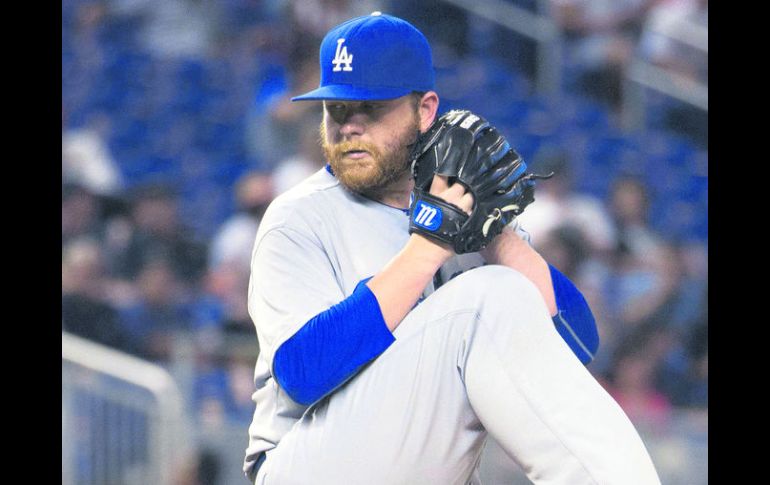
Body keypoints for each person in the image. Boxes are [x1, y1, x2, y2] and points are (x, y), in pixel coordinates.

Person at [243, 12, 661, 484]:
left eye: (370, 108)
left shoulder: (457, 209)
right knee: (488, 297)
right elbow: (301, 373)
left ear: (425, 111)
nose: (349, 127)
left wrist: (496, 236)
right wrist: (430, 247)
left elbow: (577, 344)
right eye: (336, 109)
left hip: (420, 465)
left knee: (500, 286)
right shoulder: (297, 217)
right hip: (308, 461)